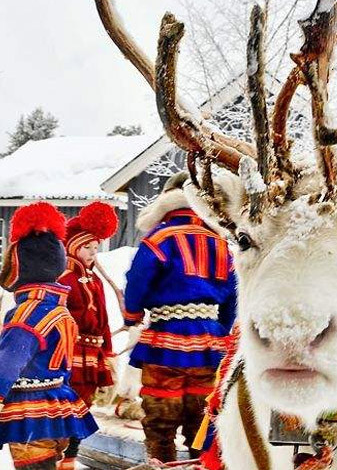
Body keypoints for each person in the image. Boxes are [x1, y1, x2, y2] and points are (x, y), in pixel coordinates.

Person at [0, 202, 98, 470]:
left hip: (31, 412)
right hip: (59, 403)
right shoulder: (60, 311)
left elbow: (5, 367)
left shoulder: (25, 315)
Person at [123, 172, 237, 463]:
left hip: (165, 341)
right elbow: (234, 294)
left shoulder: (158, 238)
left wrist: (132, 316)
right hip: (210, 344)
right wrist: (220, 328)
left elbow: (137, 282)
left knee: (161, 417)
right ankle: (202, 464)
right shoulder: (221, 242)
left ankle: (161, 464)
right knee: (203, 418)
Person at [57, 201, 120, 470]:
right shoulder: (64, 278)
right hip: (71, 354)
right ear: (73, 247)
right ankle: (58, 459)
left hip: (92, 357)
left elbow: (104, 321)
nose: (92, 253)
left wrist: (108, 353)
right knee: (66, 410)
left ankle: (70, 460)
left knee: (83, 410)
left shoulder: (95, 281)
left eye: (95, 248)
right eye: (87, 247)